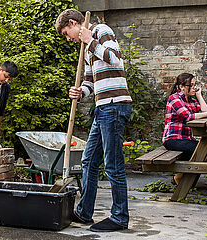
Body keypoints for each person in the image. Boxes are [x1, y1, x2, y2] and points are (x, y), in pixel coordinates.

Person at [56, 8, 132, 232]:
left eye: (66, 33)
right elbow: (91, 81)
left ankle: (119, 217)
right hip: (102, 107)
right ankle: (84, 212)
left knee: (113, 165)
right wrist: (81, 92)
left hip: (115, 106)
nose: (68, 38)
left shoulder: (101, 31)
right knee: (89, 161)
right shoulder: (86, 48)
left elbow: (116, 61)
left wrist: (90, 40)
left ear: (73, 23)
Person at [162, 73, 207, 185]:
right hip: (173, 139)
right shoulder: (174, 99)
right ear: (181, 87)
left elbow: (204, 112)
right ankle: (184, 181)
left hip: (186, 139)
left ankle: (183, 178)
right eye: (191, 85)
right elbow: (188, 116)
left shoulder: (191, 101)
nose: (194, 87)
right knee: (204, 154)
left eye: (195, 84)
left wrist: (199, 95)